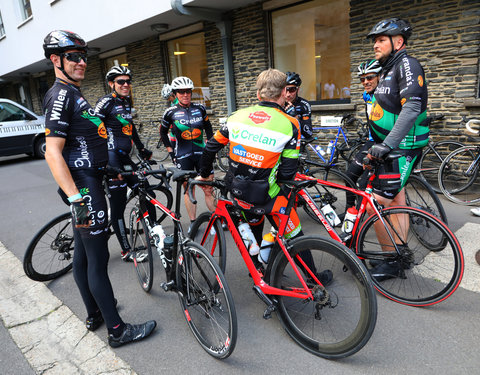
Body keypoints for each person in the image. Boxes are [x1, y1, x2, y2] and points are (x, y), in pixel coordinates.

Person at [42, 30, 156, 347]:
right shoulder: (62, 94)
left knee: (81, 257)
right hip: (85, 186)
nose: (81, 62)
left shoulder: (71, 92)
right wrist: (78, 198)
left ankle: (95, 312)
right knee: (97, 259)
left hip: (89, 180)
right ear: (56, 60)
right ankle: (117, 330)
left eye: (84, 56)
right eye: (73, 56)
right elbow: (52, 151)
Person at [196, 68, 332, 284]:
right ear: (282, 95)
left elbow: (210, 148)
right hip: (271, 195)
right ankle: (314, 279)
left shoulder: (236, 117)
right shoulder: (290, 123)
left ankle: (256, 268)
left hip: (239, 190)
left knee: (254, 228)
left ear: (258, 95)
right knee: (295, 234)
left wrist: (205, 176)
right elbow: (288, 172)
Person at [365, 18, 429, 280]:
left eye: (381, 40)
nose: (375, 46)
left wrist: (387, 144)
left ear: (398, 41)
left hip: (402, 148)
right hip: (393, 147)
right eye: (375, 41)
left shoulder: (407, 64)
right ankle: (401, 252)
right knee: (397, 199)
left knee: (375, 205)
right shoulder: (388, 67)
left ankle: (392, 261)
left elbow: (412, 107)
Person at [94, 65, 152, 262]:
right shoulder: (105, 102)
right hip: (111, 158)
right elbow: (93, 129)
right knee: (117, 207)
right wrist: (102, 163)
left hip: (125, 156)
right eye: (121, 81)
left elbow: (130, 127)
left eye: (128, 81)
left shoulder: (126, 102)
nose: (126, 84)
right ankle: (126, 250)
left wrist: (142, 148)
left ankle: (152, 234)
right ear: (111, 84)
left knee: (146, 191)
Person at [159, 76, 216, 229]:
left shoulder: (200, 108)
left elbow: (208, 127)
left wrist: (212, 146)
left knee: (209, 188)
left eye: (188, 92)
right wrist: (171, 154)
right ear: (175, 94)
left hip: (202, 154)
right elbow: (163, 133)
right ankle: (193, 223)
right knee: (188, 189)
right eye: (181, 92)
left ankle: (216, 220)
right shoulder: (170, 112)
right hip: (183, 156)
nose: (185, 95)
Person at [344, 59, 382, 189]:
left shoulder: (385, 96)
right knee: (349, 176)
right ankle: (350, 209)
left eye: (370, 77)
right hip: (371, 141)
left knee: (364, 186)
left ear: (379, 76)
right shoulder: (366, 95)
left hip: (384, 144)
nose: (365, 82)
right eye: (362, 79)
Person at [284, 71, 313, 139]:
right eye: (285, 90)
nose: (288, 94)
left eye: (292, 90)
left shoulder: (304, 105)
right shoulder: (277, 103)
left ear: (298, 89)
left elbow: (308, 133)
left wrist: (296, 117)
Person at [161, 83, 178, 151]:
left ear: (172, 94)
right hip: (173, 131)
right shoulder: (173, 102)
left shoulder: (178, 102)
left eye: (168, 98)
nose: (168, 100)